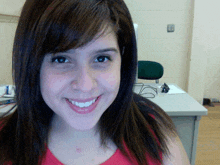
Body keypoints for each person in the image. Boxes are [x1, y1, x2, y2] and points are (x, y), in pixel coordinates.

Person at [0, 0, 190, 164]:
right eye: (61, 59)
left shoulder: (158, 137)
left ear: (122, 61)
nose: (85, 85)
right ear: (32, 64)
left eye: (101, 59)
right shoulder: (5, 145)